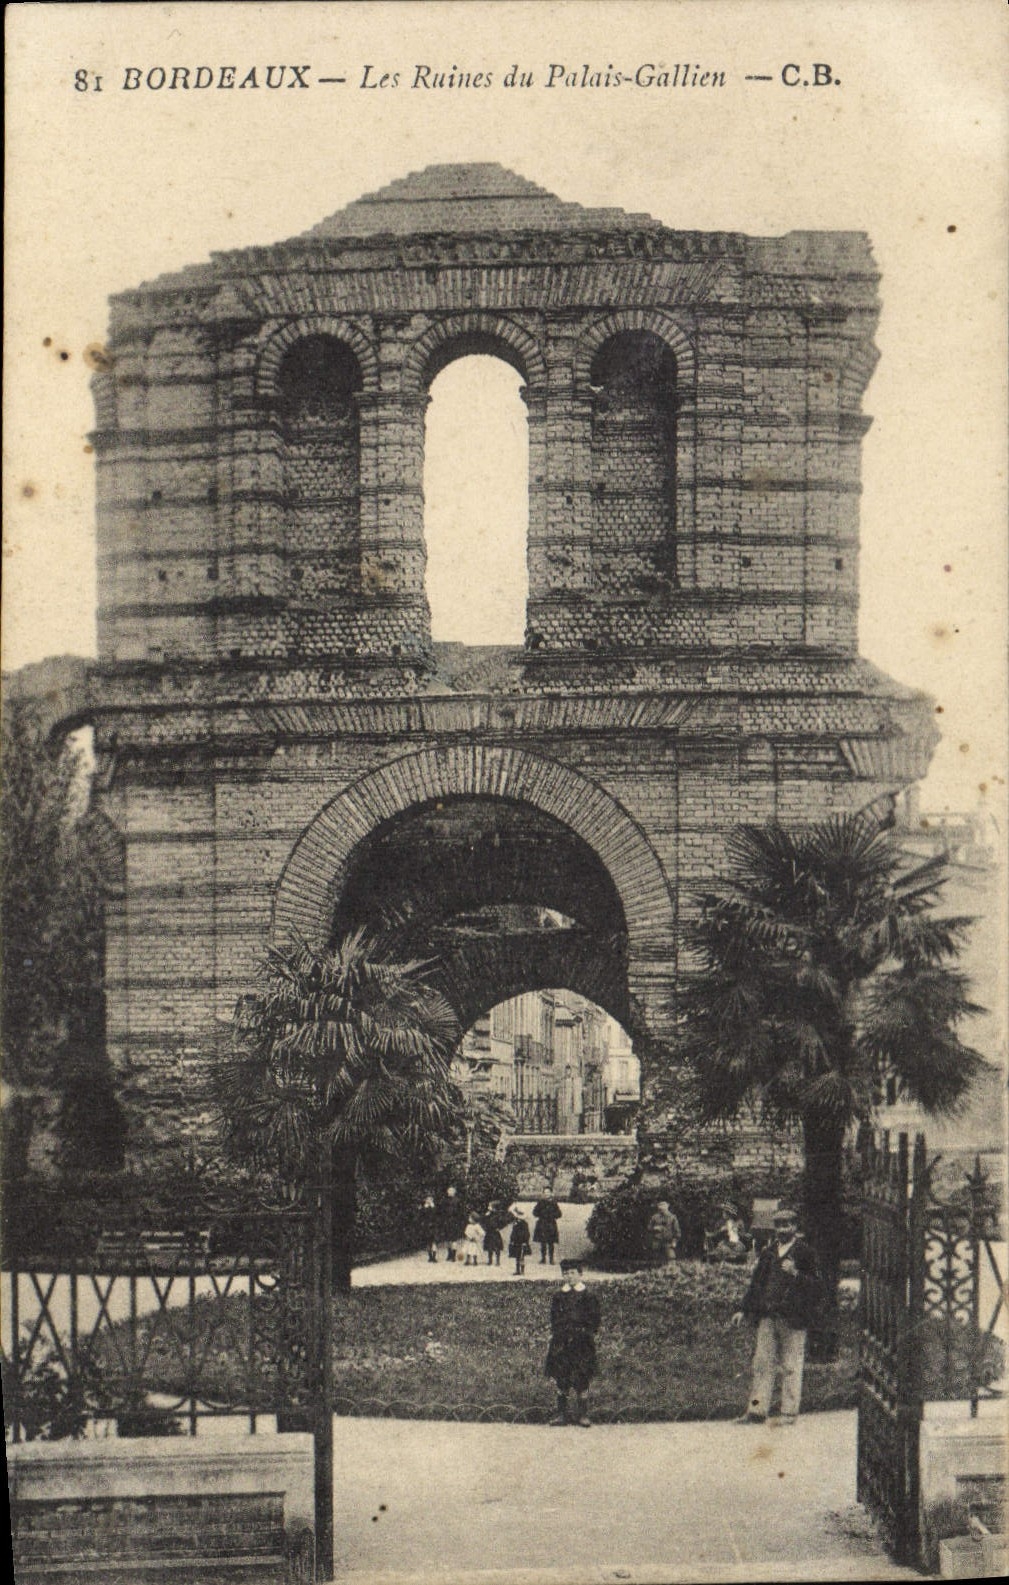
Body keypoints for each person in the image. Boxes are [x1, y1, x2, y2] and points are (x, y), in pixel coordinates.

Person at [731, 1206, 824, 1425]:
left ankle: (789, 1413)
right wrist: (743, 1309)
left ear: (795, 1227)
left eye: (787, 1225)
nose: (783, 1229)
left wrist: (796, 1274)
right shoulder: (769, 1252)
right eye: (779, 1225)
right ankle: (756, 1411)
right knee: (762, 1364)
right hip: (768, 1315)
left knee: (791, 1366)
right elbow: (757, 1284)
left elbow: (818, 1287)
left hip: (793, 1318)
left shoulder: (805, 1253)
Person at [545, 1275, 602, 1425]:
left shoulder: (588, 1295)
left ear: (580, 1274)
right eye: (566, 1273)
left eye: (572, 1272)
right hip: (562, 1341)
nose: (569, 1276)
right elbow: (554, 1317)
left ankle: (583, 1415)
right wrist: (560, 1332)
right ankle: (561, 1414)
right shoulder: (559, 1296)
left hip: (581, 1341)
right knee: (561, 1376)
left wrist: (584, 1331)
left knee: (581, 1375)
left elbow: (595, 1319)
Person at [645, 1199, 680, 1266]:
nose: (662, 1209)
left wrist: (674, 1241)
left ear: (667, 1207)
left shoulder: (672, 1217)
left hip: (668, 1241)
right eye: (660, 1207)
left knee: (671, 1258)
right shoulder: (654, 1217)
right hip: (657, 1241)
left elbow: (677, 1231)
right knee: (655, 1260)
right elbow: (649, 1228)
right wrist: (654, 1228)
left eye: (664, 1207)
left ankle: (671, 1272)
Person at [532, 1195, 562, 1264]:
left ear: (551, 1193)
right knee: (543, 1242)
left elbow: (559, 1214)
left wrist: (553, 1215)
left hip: (551, 1224)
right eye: (545, 1192)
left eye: (548, 1192)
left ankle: (551, 1259)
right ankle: (543, 1258)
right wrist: (541, 1214)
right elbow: (534, 1212)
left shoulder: (554, 1203)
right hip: (542, 1223)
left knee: (551, 1242)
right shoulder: (540, 1203)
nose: (546, 1194)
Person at [508, 1206, 532, 1275]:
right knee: (517, 1257)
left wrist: (525, 1241)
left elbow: (526, 1234)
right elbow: (513, 1233)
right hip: (516, 1242)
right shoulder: (516, 1224)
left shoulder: (524, 1224)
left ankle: (522, 1270)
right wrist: (512, 1239)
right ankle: (518, 1270)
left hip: (521, 1242)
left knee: (521, 1257)